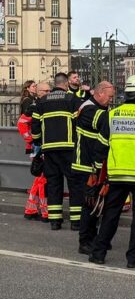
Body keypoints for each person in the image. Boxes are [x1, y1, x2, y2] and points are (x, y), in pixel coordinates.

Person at [89, 74, 135, 268]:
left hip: (117, 174)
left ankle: (98, 253)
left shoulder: (111, 115)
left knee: (111, 214)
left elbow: (101, 147)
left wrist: (97, 173)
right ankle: (133, 257)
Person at [31, 72, 83, 230]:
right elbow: (79, 123)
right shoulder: (72, 99)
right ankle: (76, 222)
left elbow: (35, 129)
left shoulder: (42, 101)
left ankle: (55, 221)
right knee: (74, 183)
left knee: (53, 184)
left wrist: (39, 142)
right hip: (68, 148)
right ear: (66, 84)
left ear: (54, 83)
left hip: (50, 150)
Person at [73, 81, 115, 252]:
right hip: (85, 165)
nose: (111, 100)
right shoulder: (89, 109)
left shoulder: (100, 108)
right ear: (100, 93)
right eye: (110, 96)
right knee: (89, 204)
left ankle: (95, 238)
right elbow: (105, 123)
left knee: (97, 204)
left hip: (95, 165)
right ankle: (85, 242)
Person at [21, 81, 51, 222]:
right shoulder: (34, 107)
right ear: (38, 92)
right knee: (43, 179)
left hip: (41, 146)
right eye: (45, 91)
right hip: (39, 147)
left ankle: (31, 209)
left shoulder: (42, 105)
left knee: (39, 179)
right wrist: (31, 140)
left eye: (49, 91)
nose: (48, 93)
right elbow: (21, 123)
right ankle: (44, 212)